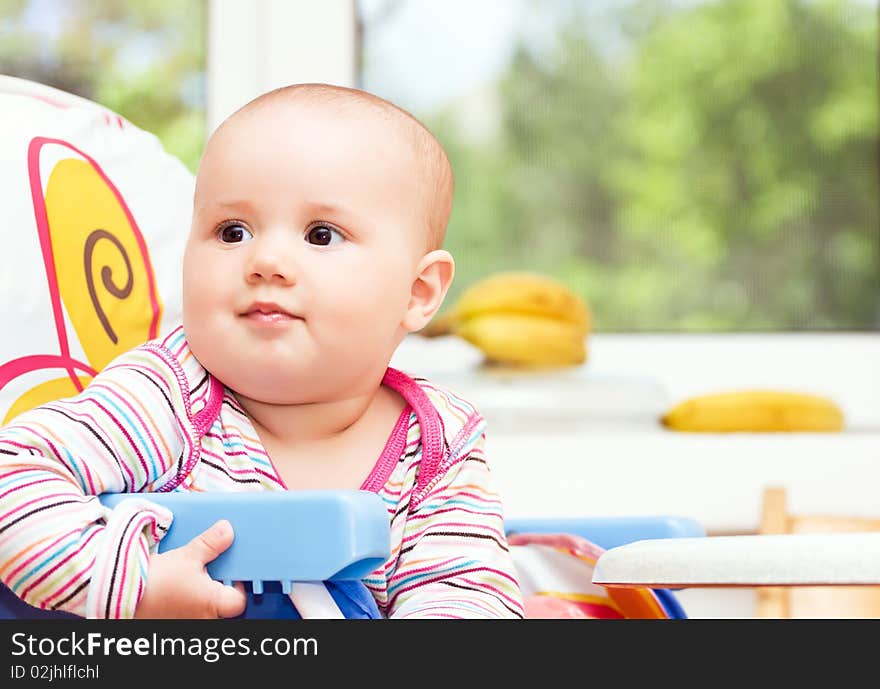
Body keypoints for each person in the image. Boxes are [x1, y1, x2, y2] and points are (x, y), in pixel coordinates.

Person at [0, 84, 524, 619]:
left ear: (418, 293)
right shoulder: (166, 395)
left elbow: (468, 597)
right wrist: (132, 587)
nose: (266, 259)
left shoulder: (438, 444)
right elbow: (12, 475)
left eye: (321, 235)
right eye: (232, 231)